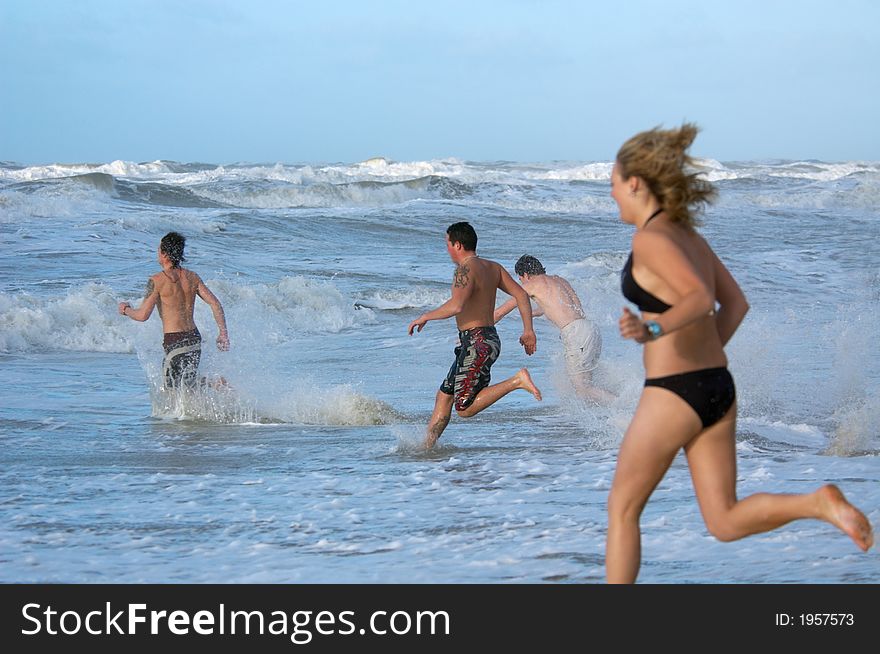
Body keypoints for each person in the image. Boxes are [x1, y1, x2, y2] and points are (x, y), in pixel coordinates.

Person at [606, 124, 873, 583]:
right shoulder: (689, 236)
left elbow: (696, 300)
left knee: (622, 509)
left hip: (674, 393)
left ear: (635, 183)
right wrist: (702, 359)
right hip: (716, 387)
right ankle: (817, 503)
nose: (611, 196)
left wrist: (654, 328)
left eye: (612, 184)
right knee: (724, 520)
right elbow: (736, 303)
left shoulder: (650, 239)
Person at [408, 222, 542, 449]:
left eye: (448, 244)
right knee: (444, 396)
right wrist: (528, 330)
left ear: (457, 244)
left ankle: (516, 381)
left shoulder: (464, 270)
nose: (447, 249)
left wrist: (425, 316)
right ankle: (427, 447)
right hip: (483, 340)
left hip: (477, 343)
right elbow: (521, 294)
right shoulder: (493, 267)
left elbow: (457, 306)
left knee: (465, 408)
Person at [494, 255, 613, 403]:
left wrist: (474, 329)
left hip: (575, 334)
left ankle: (626, 407)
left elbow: (498, 313)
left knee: (583, 390)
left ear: (525, 275)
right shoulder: (559, 280)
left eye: (520, 279)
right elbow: (567, 307)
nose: (521, 283)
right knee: (589, 385)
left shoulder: (530, 285)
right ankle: (612, 419)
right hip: (590, 329)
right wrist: (530, 313)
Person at [118, 232, 229, 389]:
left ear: (164, 254)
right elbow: (215, 303)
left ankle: (215, 384)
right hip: (194, 339)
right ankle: (215, 383)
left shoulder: (157, 280)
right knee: (188, 384)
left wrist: (125, 309)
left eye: (158, 249)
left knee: (170, 389)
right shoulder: (192, 277)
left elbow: (142, 316)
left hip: (175, 342)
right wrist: (223, 333)